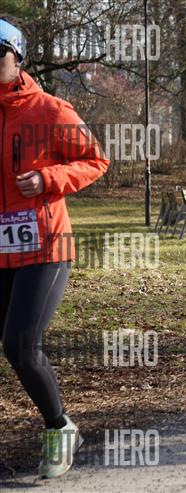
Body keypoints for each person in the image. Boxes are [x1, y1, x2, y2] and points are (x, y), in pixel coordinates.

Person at [0, 18, 109, 478]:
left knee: (20, 344)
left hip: (45, 245)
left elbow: (96, 159)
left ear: (18, 58)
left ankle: (59, 426)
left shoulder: (50, 110)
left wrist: (48, 178)